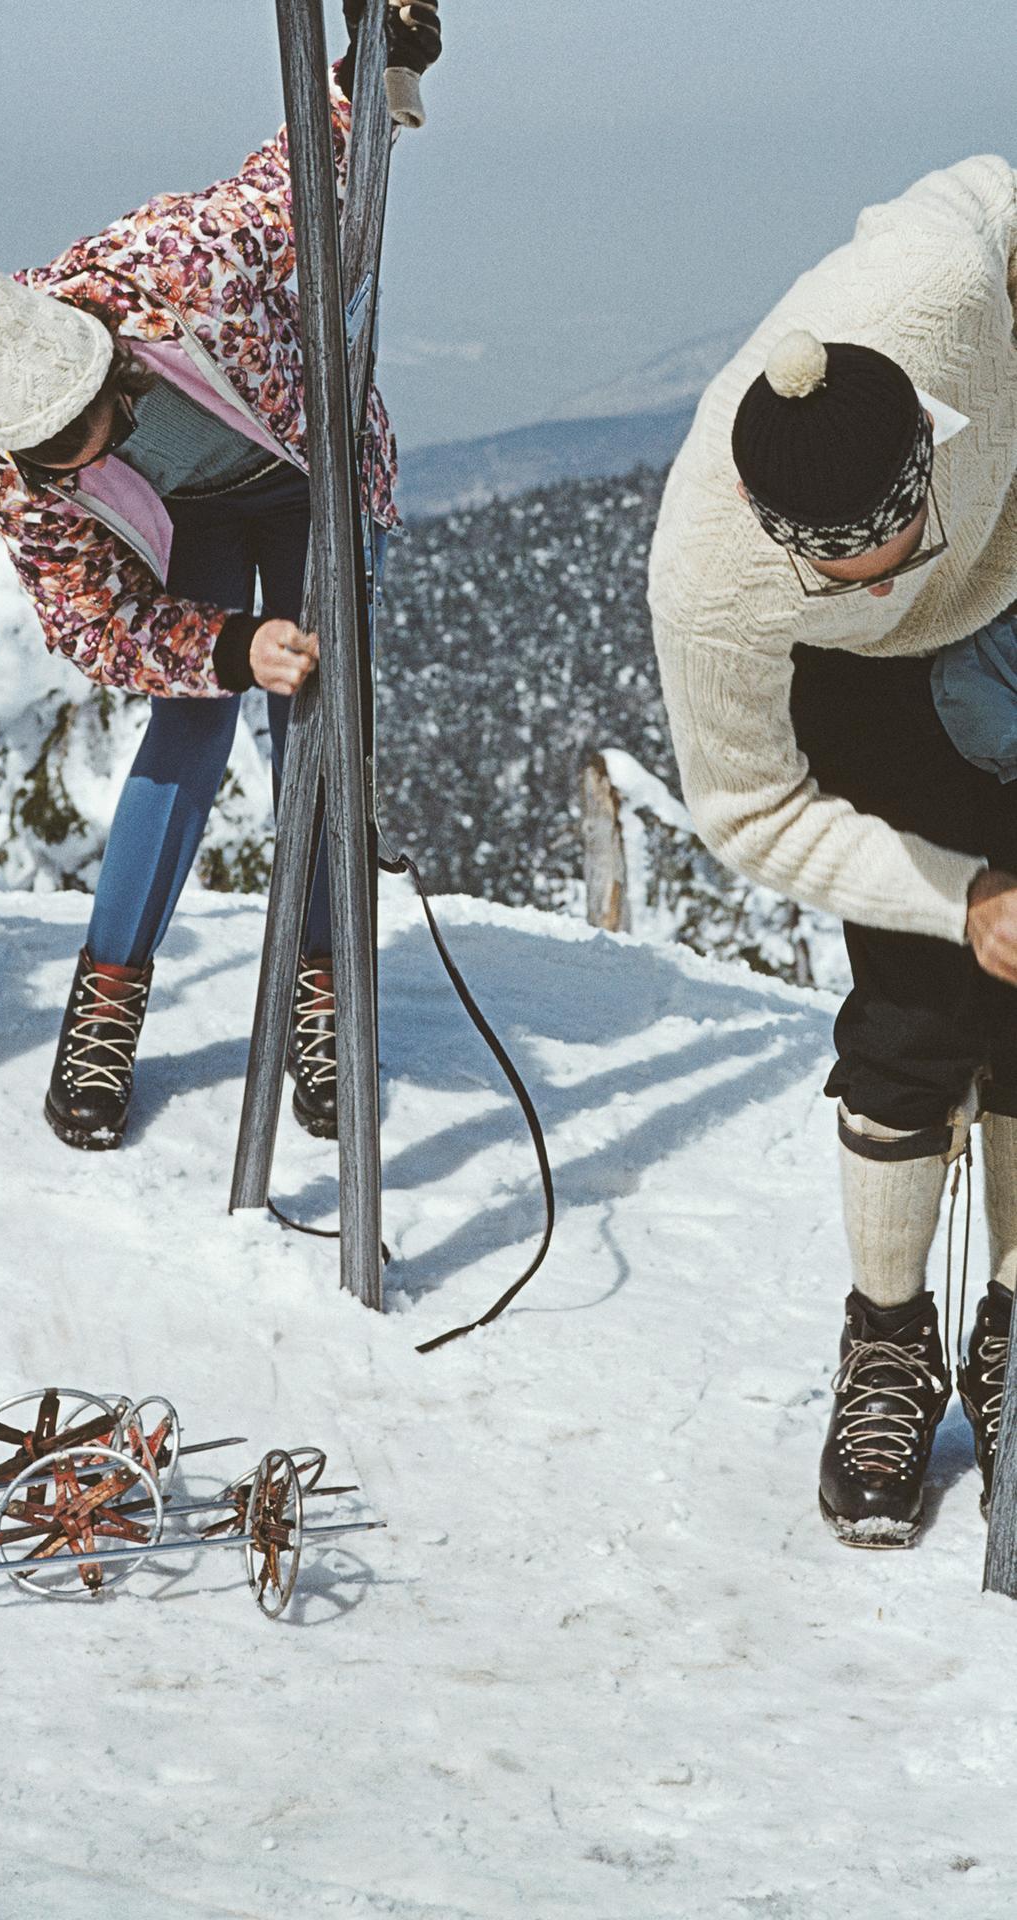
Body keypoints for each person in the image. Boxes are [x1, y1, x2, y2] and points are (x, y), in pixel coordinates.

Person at [0, 2, 441, 1152]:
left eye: (94, 435)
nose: (86, 466)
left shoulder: (182, 271)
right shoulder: (18, 458)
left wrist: (374, 66)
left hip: (306, 477)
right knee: (189, 734)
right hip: (193, 526)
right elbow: (89, 616)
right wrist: (218, 646)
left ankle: (319, 982)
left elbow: (294, 183)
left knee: (308, 725)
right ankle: (108, 995)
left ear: (107, 366)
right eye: (59, 463)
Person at [648, 155, 1017, 1547]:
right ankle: (886, 1334)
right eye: (840, 571)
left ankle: (1010, 1330)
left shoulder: (932, 286)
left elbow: (991, 187)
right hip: (859, 699)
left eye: (891, 543)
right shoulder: (716, 580)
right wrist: (955, 894)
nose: (881, 577)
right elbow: (746, 811)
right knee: (921, 1007)